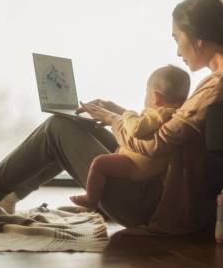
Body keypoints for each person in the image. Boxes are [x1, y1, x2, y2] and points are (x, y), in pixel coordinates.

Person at [0, 0, 223, 234]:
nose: (177, 50)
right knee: (74, 123)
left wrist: (116, 121)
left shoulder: (217, 85)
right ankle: (8, 195)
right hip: (156, 187)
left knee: (57, 129)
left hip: (150, 206)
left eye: (178, 39)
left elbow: (158, 143)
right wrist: (115, 112)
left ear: (198, 39)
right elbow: (167, 128)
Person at [69, 65, 190, 210]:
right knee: (112, 153)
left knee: (99, 163)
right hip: (149, 167)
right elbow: (145, 128)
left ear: (155, 97)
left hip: (136, 166)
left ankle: (91, 199)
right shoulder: (174, 115)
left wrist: (126, 114)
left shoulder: (157, 114)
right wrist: (116, 110)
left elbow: (135, 128)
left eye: (146, 92)